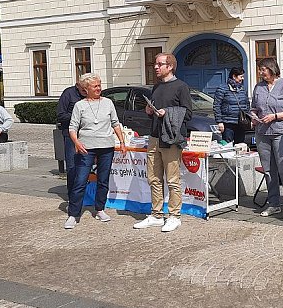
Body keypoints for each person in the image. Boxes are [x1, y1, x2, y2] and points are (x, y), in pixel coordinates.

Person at [133, 53, 192, 233]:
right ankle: (156, 215)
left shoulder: (181, 87)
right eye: (156, 64)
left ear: (170, 66)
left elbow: (188, 113)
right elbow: (154, 109)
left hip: (171, 138)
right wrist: (149, 110)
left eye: (160, 64)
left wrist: (168, 112)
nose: (156, 67)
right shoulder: (157, 87)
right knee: (153, 178)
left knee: (173, 180)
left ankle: (175, 216)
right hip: (154, 136)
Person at [65, 73, 128, 229]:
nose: (99, 88)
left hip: (106, 146)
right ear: (86, 89)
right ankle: (73, 214)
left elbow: (115, 123)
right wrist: (77, 143)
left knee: (103, 180)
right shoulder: (80, 105)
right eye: (95, 86)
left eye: (100, 85)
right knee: (80, 180)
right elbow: (72, 127)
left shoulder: (108, 103)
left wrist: (122, 142)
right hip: (86, 148)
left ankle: (100, 209)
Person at [252, 57, 283, 219]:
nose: (261, 72)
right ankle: (273, 203)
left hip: (282, 133)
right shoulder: (258, 87)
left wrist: (274, 116)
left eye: (263, 69)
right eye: (260, 70)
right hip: (262, 133)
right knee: (268, 170)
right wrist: (253, 116)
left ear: (272, 69)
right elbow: (254, 108)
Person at [57, 80, 86, 194]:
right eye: (83, 89)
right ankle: (72, 195)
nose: (85, 91)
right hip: (71, 135)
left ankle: (86, 194)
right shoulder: (68, 94)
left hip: (88, 134)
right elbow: (60, 115)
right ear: (77, 86)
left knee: (86, 165)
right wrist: (77, 115)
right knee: (72, 165)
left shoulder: (91, 95)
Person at [213, 67, 250, 145]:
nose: (242, 79)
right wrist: (219, 122)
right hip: (228, 123)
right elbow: (217, 105)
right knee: (227, 146)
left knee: (240, 146)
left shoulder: (242, 89)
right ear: (234, 76)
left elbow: (247, 104)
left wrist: (248, 118)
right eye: (241, 76)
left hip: (241, 123)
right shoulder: (222, 89)